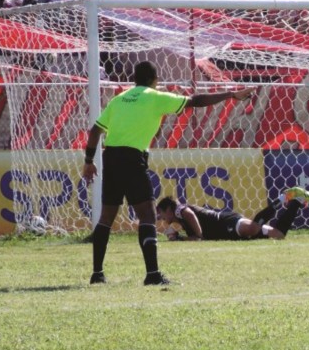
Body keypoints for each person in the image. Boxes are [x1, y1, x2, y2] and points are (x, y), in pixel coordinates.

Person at [80, 60, 254, 285]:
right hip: (133, 159)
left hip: (110, 158)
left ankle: (97, 274)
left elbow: (95, 131)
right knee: (148, 217)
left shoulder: (119, 99)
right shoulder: (155, 96)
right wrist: (231, 94)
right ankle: (152, 275)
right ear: (155, 80)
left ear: (134, 80)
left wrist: (88, 162)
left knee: (105, 219)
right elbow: (195, 101)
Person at [156, 190, 309, 240]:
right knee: (279, 235)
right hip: (226, 232)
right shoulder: (180, 220)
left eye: (162, 214)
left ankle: (284, 197)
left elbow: (197, 232)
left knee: (253, 227)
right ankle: (296, 202)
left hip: (226, 222)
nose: (162, 218)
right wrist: (178, 237)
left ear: (169, 210)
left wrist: (190, 237)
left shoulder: (181, 210)